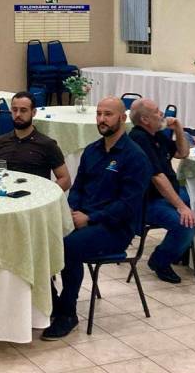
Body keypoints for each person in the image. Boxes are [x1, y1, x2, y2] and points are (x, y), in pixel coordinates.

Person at [42, 97, 152, 341]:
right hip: (83, 219)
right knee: (42, 237)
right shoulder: (92, 150)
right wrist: (71, 211)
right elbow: (78, 188)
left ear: (122, 118)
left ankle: (68, 313)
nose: (102, 119)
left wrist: (90, 218)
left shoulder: (135, 157)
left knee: (69, 247)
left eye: (108, 114)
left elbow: (127, 205)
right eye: (99, 114)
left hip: (115, 228)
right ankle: (51, 302)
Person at [128, 98, 195, 284]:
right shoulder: (139, 139)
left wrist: (178, 129)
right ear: (145, 120)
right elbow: (157, 178)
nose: (162, 114)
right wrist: (181, 206)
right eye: (157, 111)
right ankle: (160, 261)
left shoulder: (155, 134)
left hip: (168, 194)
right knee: (186, 224)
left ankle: (181, 251)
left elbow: (182, 153)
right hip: (147, 201)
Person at [0, 91, 70, 190]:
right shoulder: (1, 141)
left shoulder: (47, 144)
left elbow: (65, 179)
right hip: (4, 194)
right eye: (14, 110)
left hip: (36, 195)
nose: (18, 114)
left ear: (33, 112)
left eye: (23, 110)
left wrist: (46, 194)